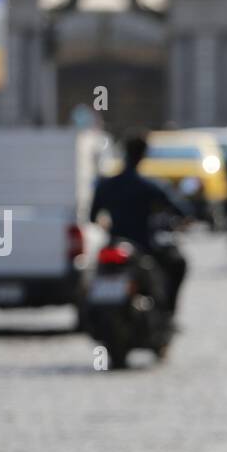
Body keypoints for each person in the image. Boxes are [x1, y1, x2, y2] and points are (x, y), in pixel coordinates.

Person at [89, 134, 192, 317]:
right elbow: (181, 210)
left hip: (114, 242)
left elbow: (92, 216)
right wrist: (184, 219)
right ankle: (168, 312)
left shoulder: (106, 185)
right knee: (178, 263)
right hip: (145, 245)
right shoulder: (150, 185)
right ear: (143, 155)